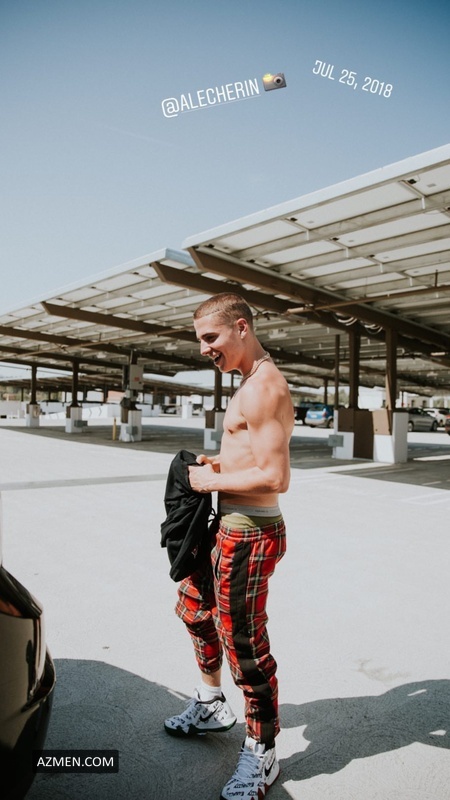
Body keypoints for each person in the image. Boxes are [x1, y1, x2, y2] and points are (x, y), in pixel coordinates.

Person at [164, 292, 294, 800]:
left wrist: (209, 482)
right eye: (200, 340)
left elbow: (276, 476)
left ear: (241, 327)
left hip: (250, 533)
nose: (204, 349)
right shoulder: (247, 382)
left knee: (244, 643)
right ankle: (211, 703)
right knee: (195, 609)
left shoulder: (263, 387)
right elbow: (251, 456)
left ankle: (263, 752)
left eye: (210, 337)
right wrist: (217, 464)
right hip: (226, 524)